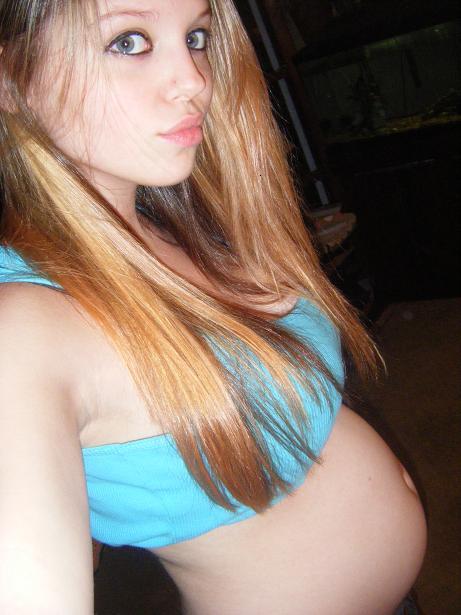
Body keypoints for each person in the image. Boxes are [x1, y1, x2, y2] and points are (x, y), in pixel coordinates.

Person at [0, 1, 427, 613]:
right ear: (12, 81)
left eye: (196, 36)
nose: (195, 81)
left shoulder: (175, 225)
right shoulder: (23, 324)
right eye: (128, 42)